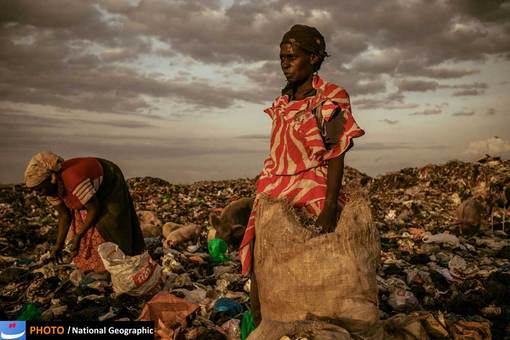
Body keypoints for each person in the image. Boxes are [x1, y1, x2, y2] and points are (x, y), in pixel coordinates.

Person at [239, 24, 365, 324]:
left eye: (292, 56)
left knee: (315, 265)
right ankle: (267, 324)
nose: (284, 63)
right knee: (264, 264)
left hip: (313, 189)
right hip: (273, 193)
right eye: (282, 57)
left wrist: (330, 205)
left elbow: (336, 153)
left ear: (313, 58)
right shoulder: (283, 101)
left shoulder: (330, 96)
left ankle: (314, 324)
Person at [24, 152, 146, 272]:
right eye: (35, 191)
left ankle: (122, 261)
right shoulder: (50, 190)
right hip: (88, 191)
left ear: (52, 178)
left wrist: (78, 236)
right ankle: (94, 266)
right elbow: (64, 216)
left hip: (109, 181)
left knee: (109, 223)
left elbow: (94, 209)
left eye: (39, 189)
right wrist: (58, 245)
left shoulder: (73, 179)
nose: (38, 194)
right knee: (82, 221)